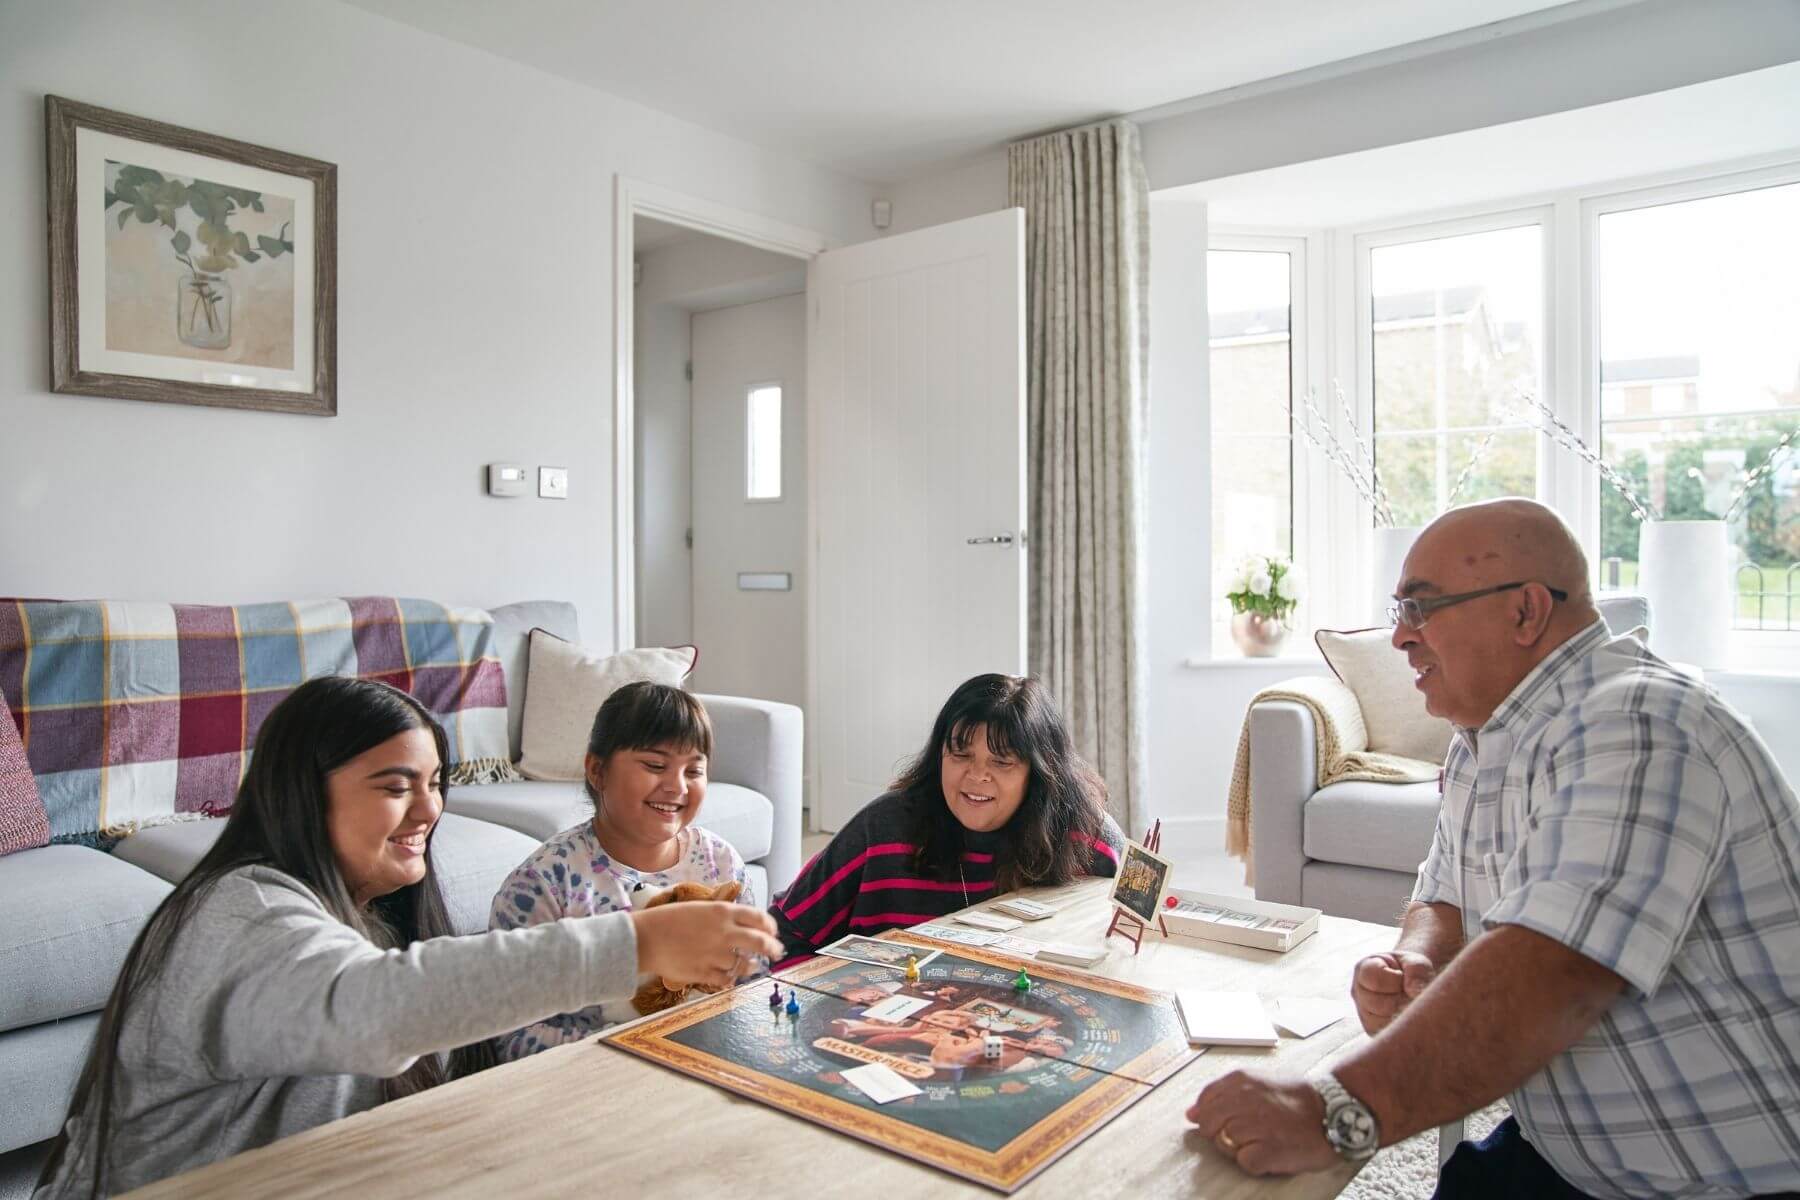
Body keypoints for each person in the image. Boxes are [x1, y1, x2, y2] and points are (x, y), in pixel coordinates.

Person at [1186, 499, 1800, 1199]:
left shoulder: (1641, 723)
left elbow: (1553, 976)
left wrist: (1328, 1107)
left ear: (1525, 612)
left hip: (1727, 1179)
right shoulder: (1483, 741)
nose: (1399, 640)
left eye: (1420, 609)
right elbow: (1442, 894)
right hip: (1570, 1157)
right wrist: (1416, 957)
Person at [36, 676, 780, 1199]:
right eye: (396, 786)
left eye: (434, 784)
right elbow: (376, 1012)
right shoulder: (243, 913)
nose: (428, 809)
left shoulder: (372, 911)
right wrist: (637, 943)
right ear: (302, 791)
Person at [772, 672, 1122, 961]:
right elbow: (783, 934)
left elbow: (1134, 942)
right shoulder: (882, 829)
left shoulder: (1088, 835)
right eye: (960, 754)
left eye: (1001, 762)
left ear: (1040, 773)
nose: (976, 776)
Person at [489, 681, 754, 1059]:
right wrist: (633, 1052)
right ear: (597, 771)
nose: (676, 786)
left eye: (694, 771)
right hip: (591, 1078)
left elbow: (749, 981)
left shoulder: (721, 863)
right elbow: (512, 1036)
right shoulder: (544, 884)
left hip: (705, 1061)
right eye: (655, 766)